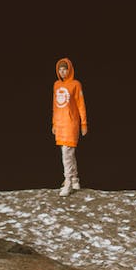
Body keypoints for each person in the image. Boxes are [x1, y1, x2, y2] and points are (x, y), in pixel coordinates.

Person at [51, 57, 88, 197]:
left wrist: (83, 123)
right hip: (60, 124)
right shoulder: (56, 85)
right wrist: (54, 123)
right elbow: (55, 106)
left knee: (66, 152)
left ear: (69, 69)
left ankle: (67, 182)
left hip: (71, 123)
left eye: (64, 69)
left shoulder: (75, 84)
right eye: (60, 69)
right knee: (68, 152)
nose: (62, 72)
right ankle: (75, 179)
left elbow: (80, 104)